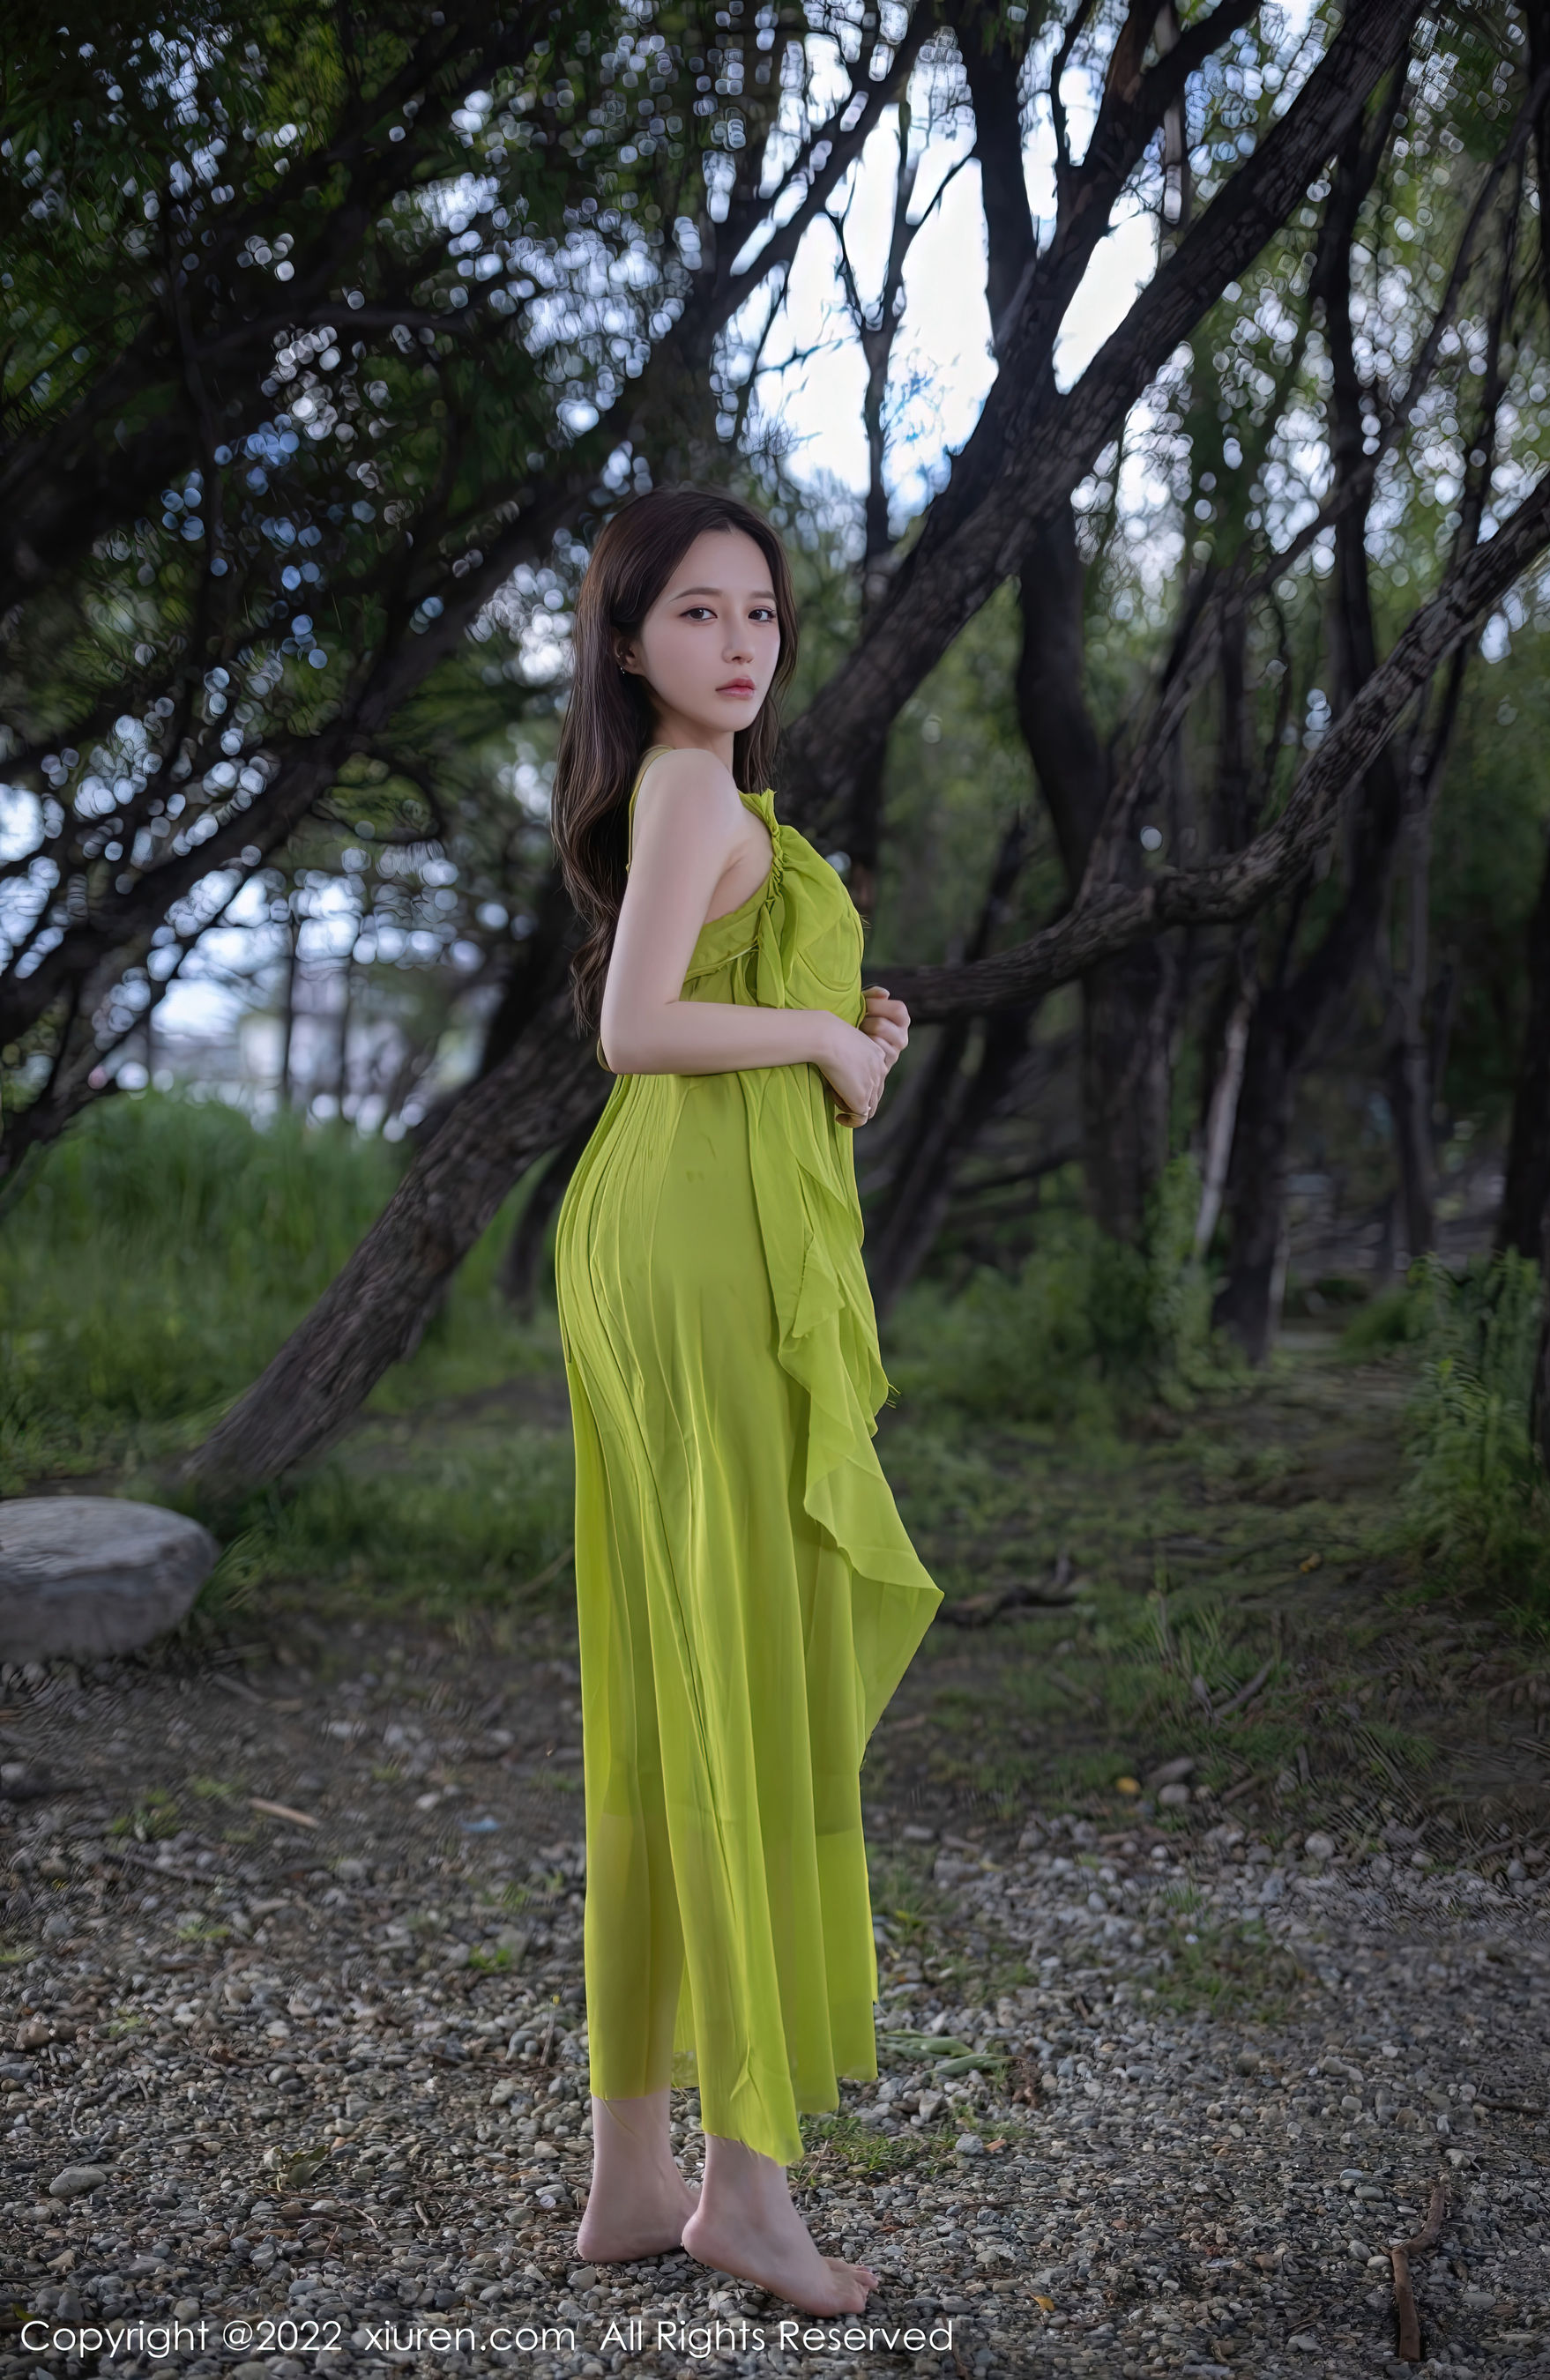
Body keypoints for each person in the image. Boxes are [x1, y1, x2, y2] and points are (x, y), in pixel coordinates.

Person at [550, 485, 943, 2317]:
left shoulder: (704, 799)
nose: (739, 643)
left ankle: (637, 2178)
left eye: (762, 613)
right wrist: (811, 1035)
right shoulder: (690, 787)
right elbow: (635, 1030)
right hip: (688, 1254)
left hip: (672, 1236)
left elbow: (717, 1017)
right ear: (631, 644)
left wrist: (851, 1047)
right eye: (698, 613)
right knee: (736, 1676)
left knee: (669, 1690)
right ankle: (746, 2194)